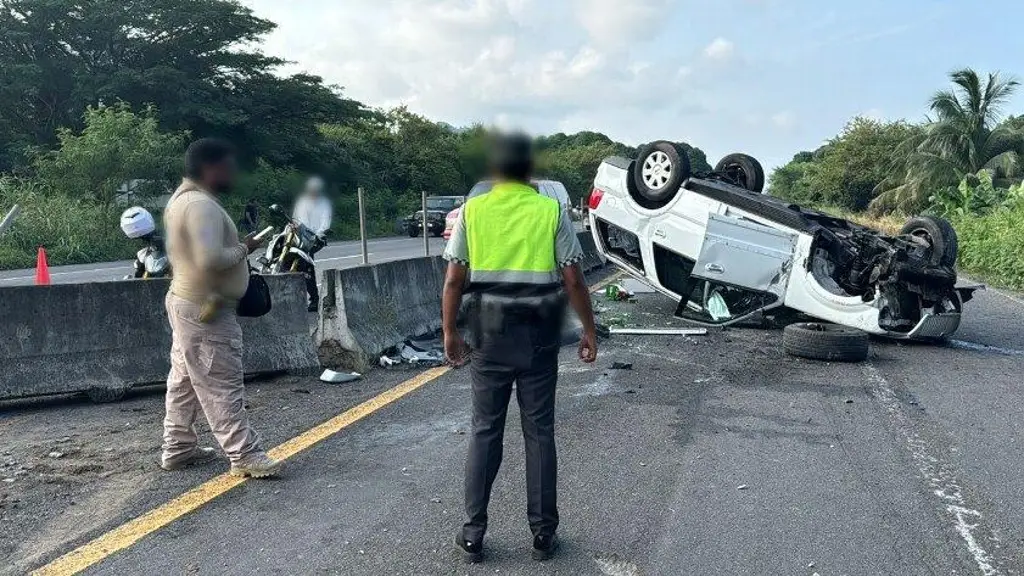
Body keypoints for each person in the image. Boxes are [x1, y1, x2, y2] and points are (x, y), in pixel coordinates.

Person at [442, 132, 598, 564]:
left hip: (488, 334)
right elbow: (572, 278)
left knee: (485, 430)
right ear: (530, 169)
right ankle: (544, 535)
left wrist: (450, 333)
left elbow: (454, 279)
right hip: (538, 335)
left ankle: (473, 534)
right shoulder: (550, 210)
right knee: (539, 431)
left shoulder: (474, 210)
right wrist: (589, 329)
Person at [160, 138, 281, 478]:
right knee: (220, 382)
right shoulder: (201, 205)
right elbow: (210, 259)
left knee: (184, 380)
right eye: (228, 167)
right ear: (211, 168)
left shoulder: (180, 200)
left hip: (187, 303)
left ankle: (178, 446)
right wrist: (244, 248)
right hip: (206, 308)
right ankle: (244, 454)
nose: (233, 174)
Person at [292, 176, 332, 312]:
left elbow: (325, 221)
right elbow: (295, 218)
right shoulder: (302, 202)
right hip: (298, 237)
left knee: (306, 266)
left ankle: (314, 299)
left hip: (313, 239)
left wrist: (319, 234)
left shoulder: (324, 203)